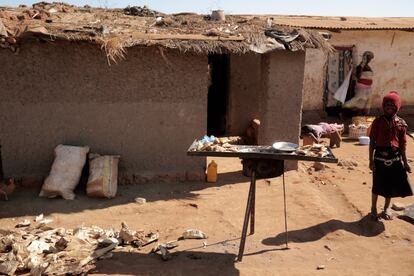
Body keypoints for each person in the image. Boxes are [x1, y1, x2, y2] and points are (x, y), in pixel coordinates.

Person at [369, 91, 413, 220]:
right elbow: (372, 142)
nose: (389, 107)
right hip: (379, 159)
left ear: (397, 107)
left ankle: (386, 208)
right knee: (377, 185)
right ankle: (373, 208)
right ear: (383, 106)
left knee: (389, 186)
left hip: (394, 159)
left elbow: (403, 146)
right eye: (386, 105)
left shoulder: (401, 124)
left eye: (392, 105)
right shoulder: (377, 122)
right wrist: (371, 161)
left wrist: (405, 163)